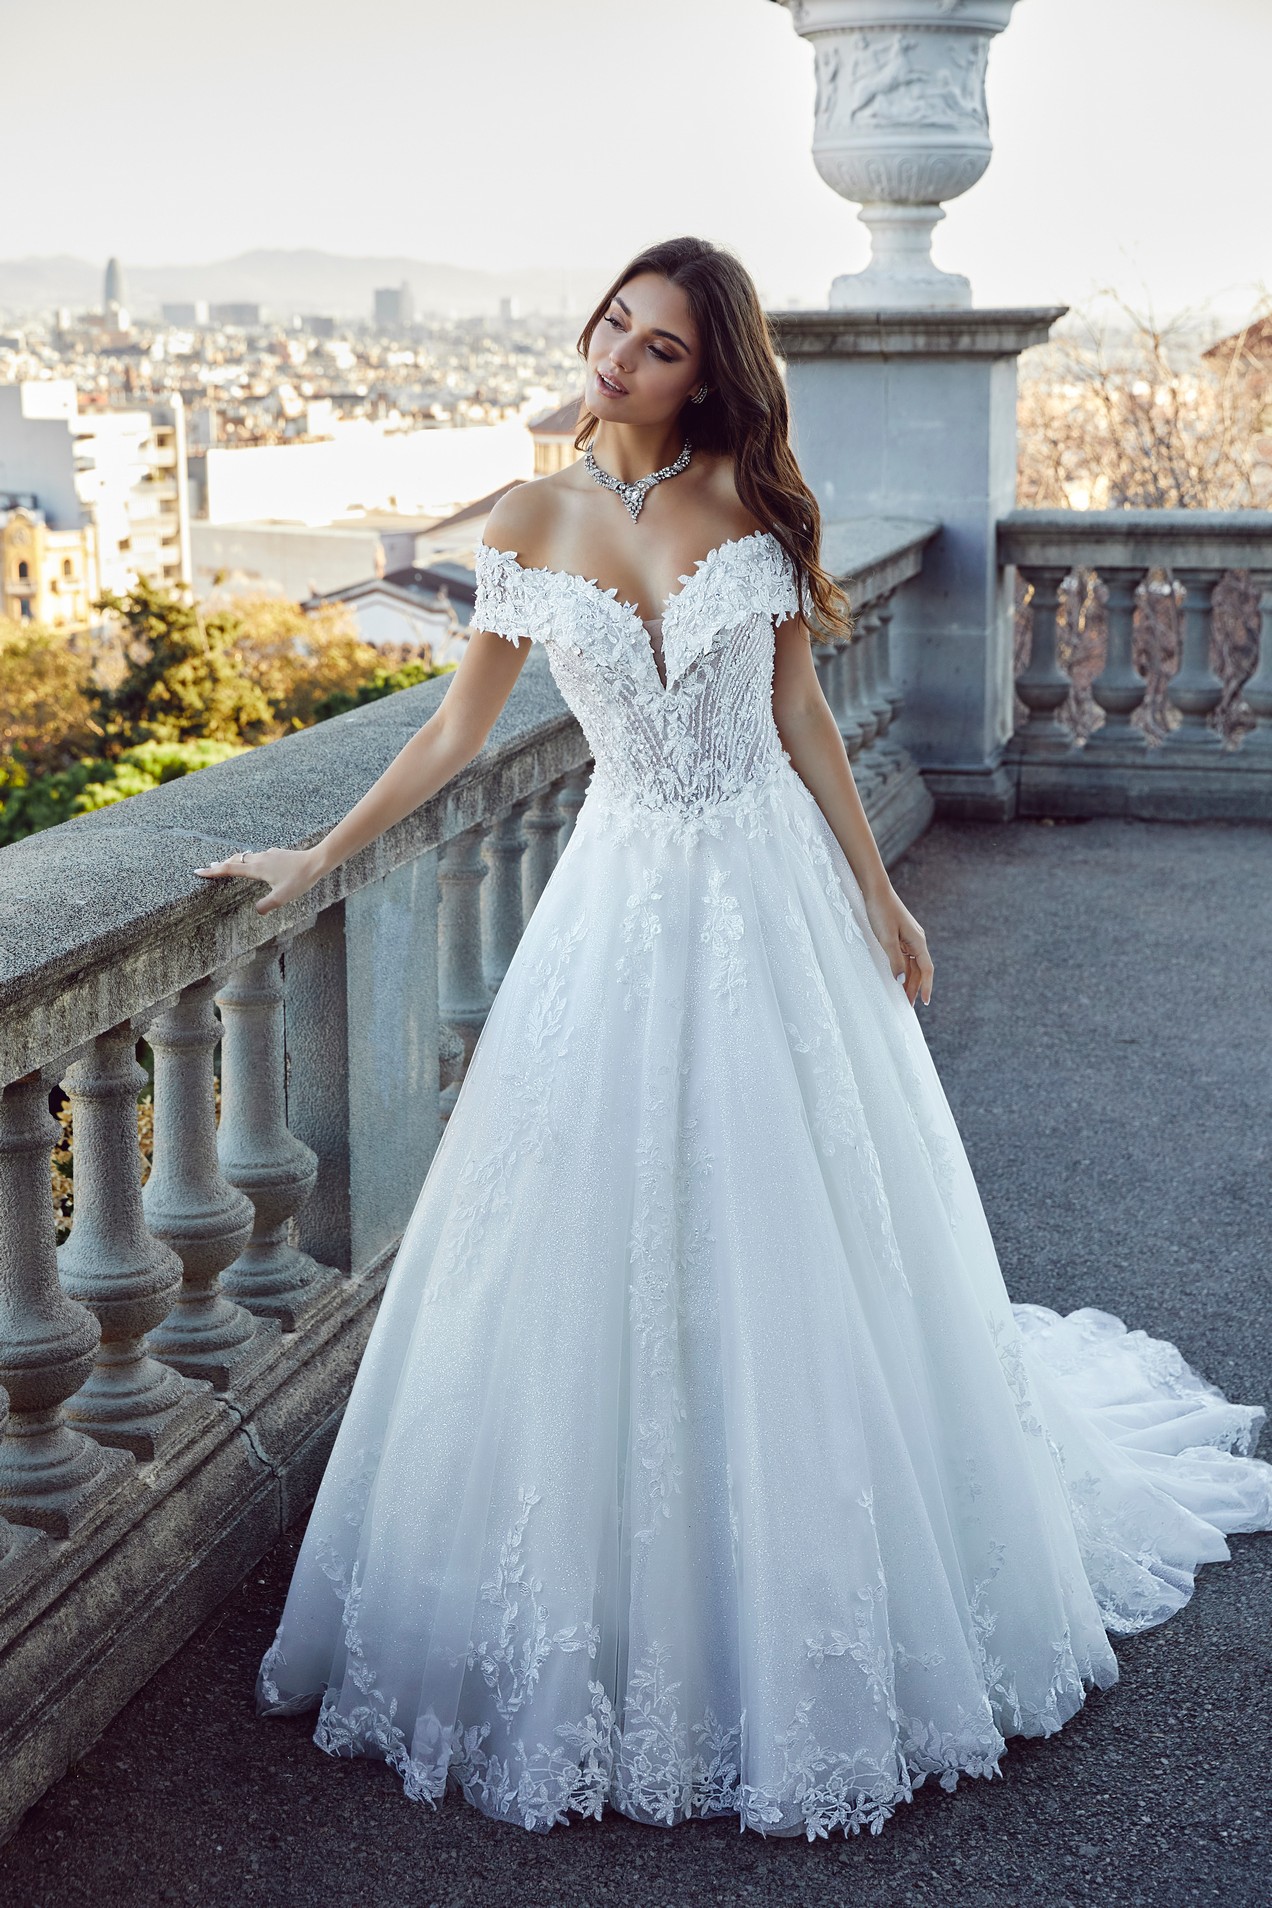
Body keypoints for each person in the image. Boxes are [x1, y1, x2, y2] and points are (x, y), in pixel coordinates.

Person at [195, 237, 1272, 1842]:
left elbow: (802, 715)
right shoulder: (527, 517)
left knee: (798, 1212)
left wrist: (880, 898)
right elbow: (455, 727)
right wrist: (316, 858)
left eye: (661, 345)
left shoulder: (758, 506)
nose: (619, 355)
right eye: (615, 325)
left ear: (713, 375)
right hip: (620, 902)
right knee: (594, 1230)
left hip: (764, 885)